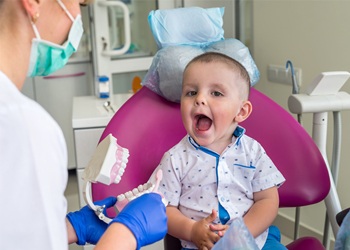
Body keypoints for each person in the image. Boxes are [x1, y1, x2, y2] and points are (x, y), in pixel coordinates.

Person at [0, 0, 167, 249]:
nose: (78, 18)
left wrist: (68, 227)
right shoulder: (23, 127)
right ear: (34, 3)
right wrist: (125, 233)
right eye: (80, 3)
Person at [150, 52, 286, 249]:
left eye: (216, 93)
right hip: (200, 245)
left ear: (241, 112)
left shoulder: (252, 151)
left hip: (253, 241)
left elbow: (268, 200)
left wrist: (241, 235)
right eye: (191, 92)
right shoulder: (175, 159)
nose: (200, 99)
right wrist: (191, 230)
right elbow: (164, 208)